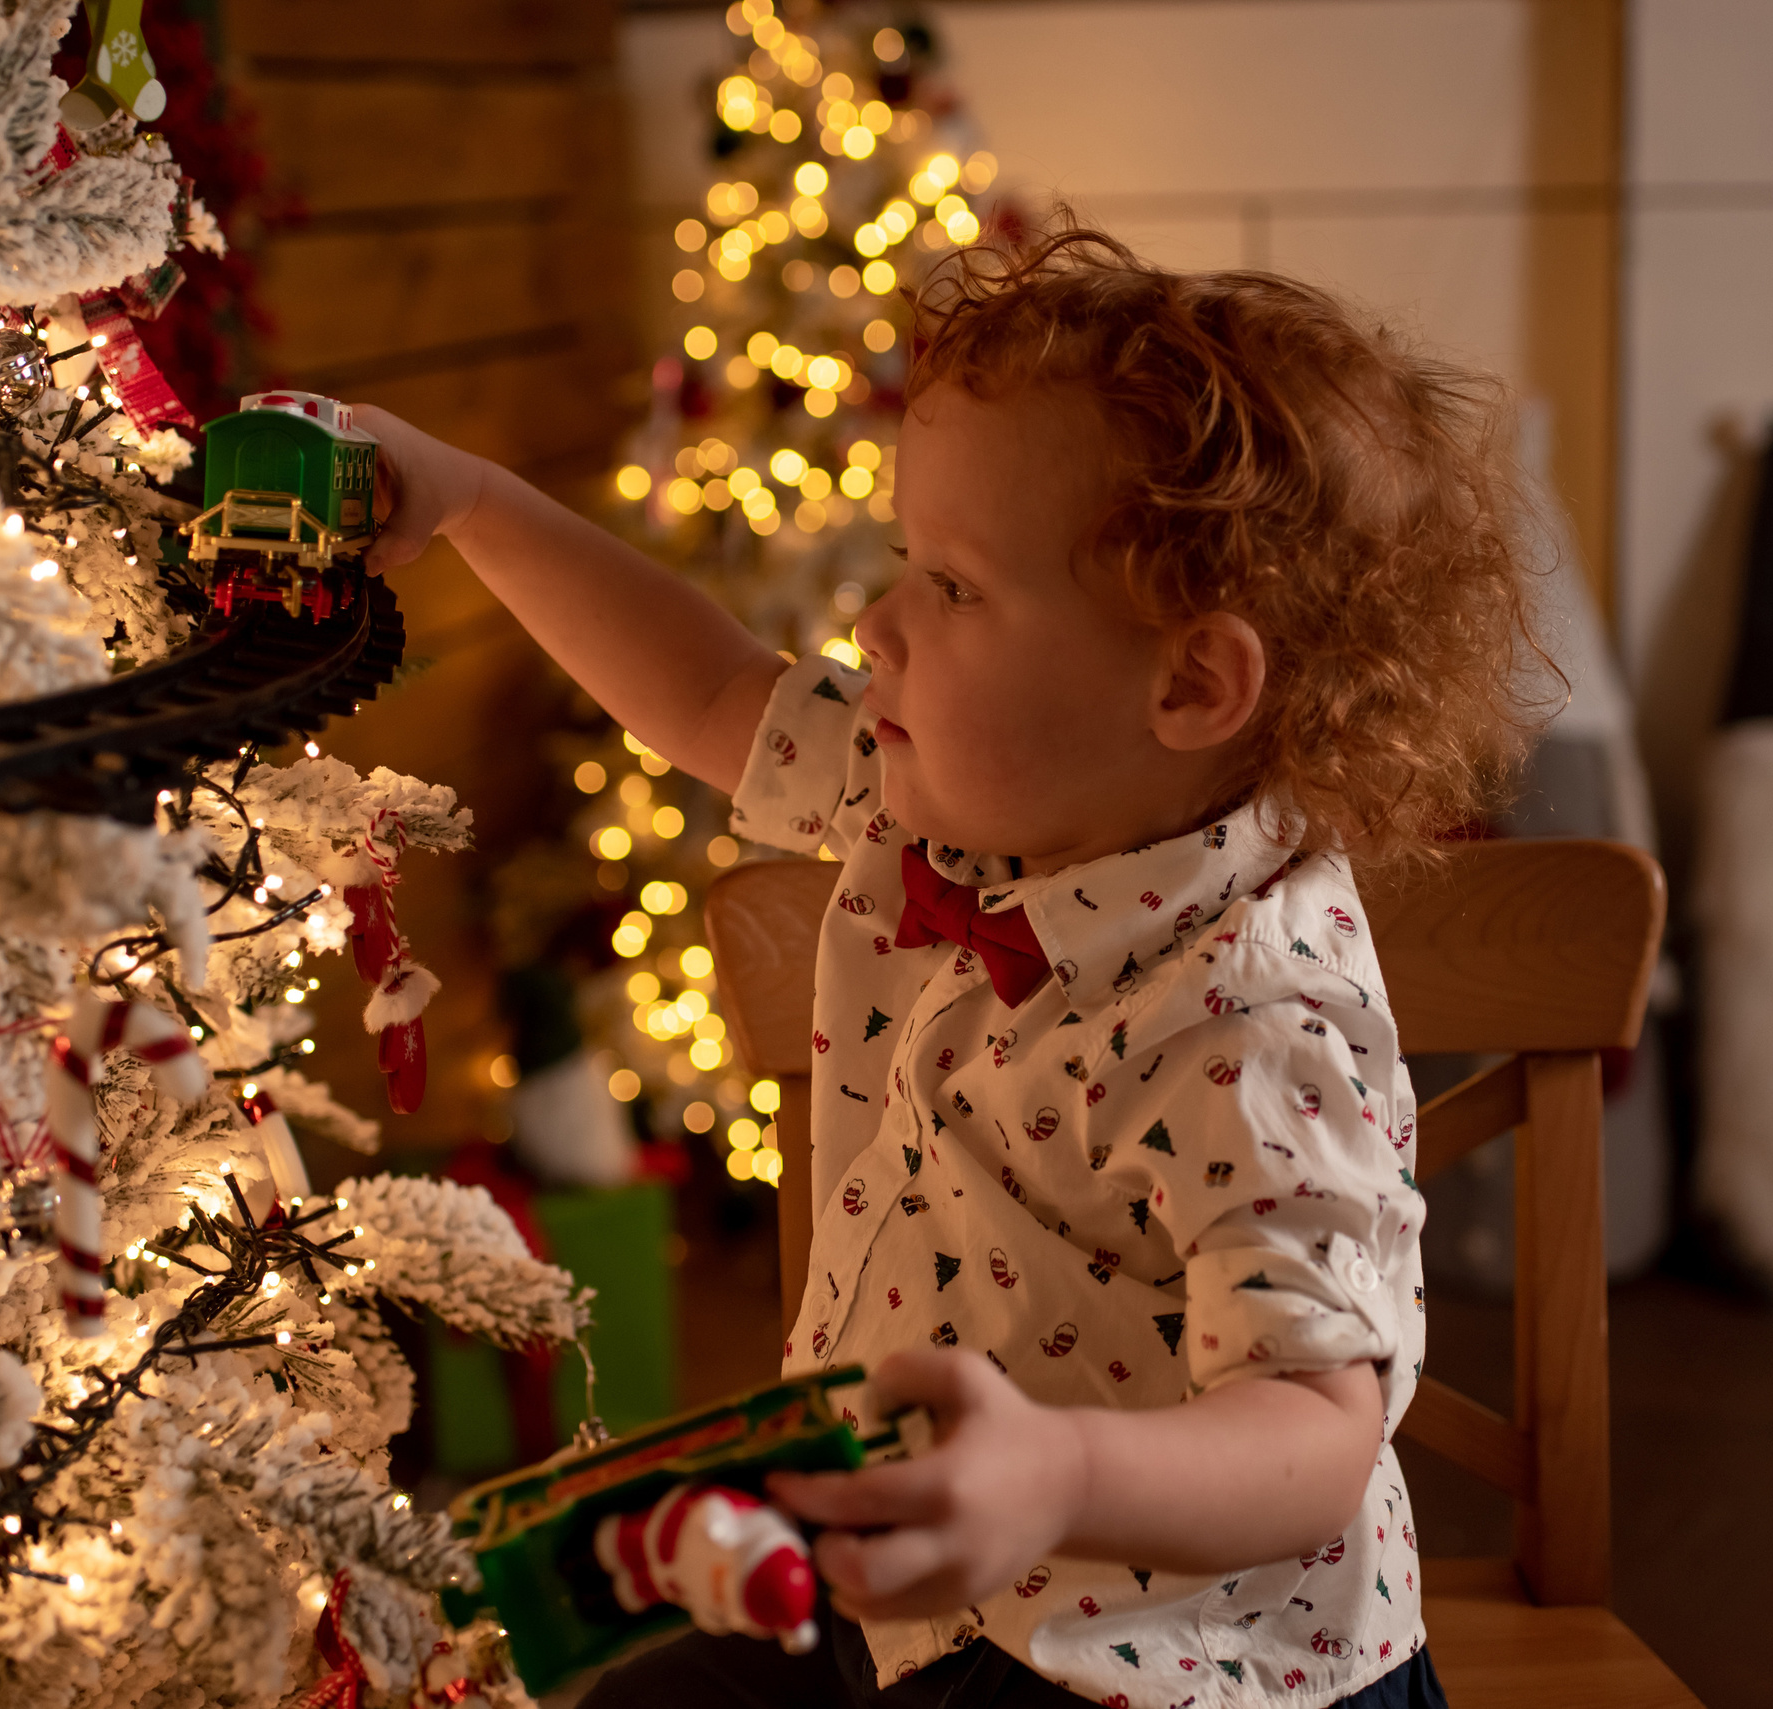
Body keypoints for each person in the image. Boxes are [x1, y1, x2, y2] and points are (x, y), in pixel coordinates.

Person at [358, 225, 1543, 1708]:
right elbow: (716, 685)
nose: (878, 623)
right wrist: (472, 501)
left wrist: (1056, 1473)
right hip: (932, 1590)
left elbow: (1313, 1435)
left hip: (1178, 1668)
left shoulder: (1255, 1015)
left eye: (955, 588)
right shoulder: (960, 791)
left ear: (1187, 681)